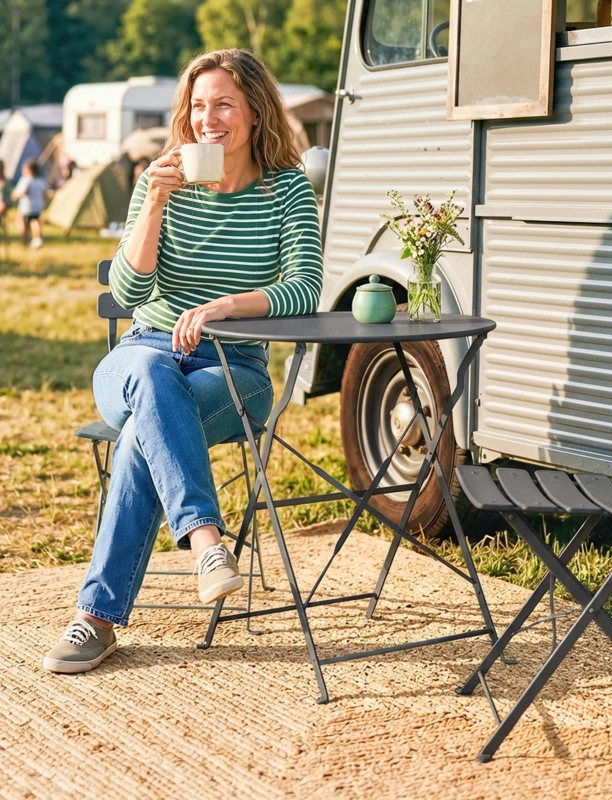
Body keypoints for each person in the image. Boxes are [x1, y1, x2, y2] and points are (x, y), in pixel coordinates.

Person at [43, 48, 323, 674]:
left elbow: (306, 286)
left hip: (235, 373)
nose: (208, 119)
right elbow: (127, 296)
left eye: (223, 103)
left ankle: (96, 620)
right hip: (141, 354)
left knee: (148, 427)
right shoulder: (159, 181)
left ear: (254, 111)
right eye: (198, 106)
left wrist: (227, 306)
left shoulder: (286, 190)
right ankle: (206, 542)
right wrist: (154, 207)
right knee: (148, 376)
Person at [12, 159, 49, 248]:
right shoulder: (41, 181)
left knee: (24, 224)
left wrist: (16, 195)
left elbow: (23, 191)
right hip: (37, 206)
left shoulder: (26, 180)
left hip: (26, 207)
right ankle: (37, 239)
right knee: (35, 222)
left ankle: (25, 240)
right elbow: (45, 193)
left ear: (29, 170)